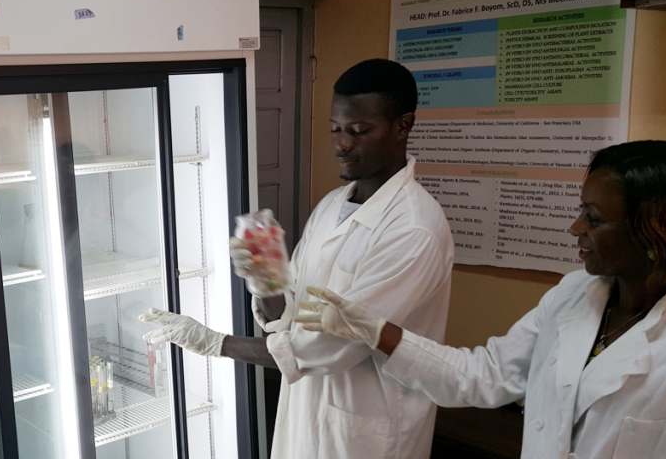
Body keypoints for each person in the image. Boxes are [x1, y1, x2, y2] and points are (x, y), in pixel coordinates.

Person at [297, 140, 666, 459]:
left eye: (594, 219)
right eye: (581, 210)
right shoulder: (571, 295)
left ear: (656, 233)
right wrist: (375, 331)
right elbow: (484, 376)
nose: (575, 227)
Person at [141, 59, 455, 458]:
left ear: (403, 125)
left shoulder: (413, 230)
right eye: (336, 130)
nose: (342, 144)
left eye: (358, 131)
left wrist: (215, 343)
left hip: (368, 432)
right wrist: (268, 280)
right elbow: (293, 318)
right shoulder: (332, 206)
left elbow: (328, 345)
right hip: (308, 413)